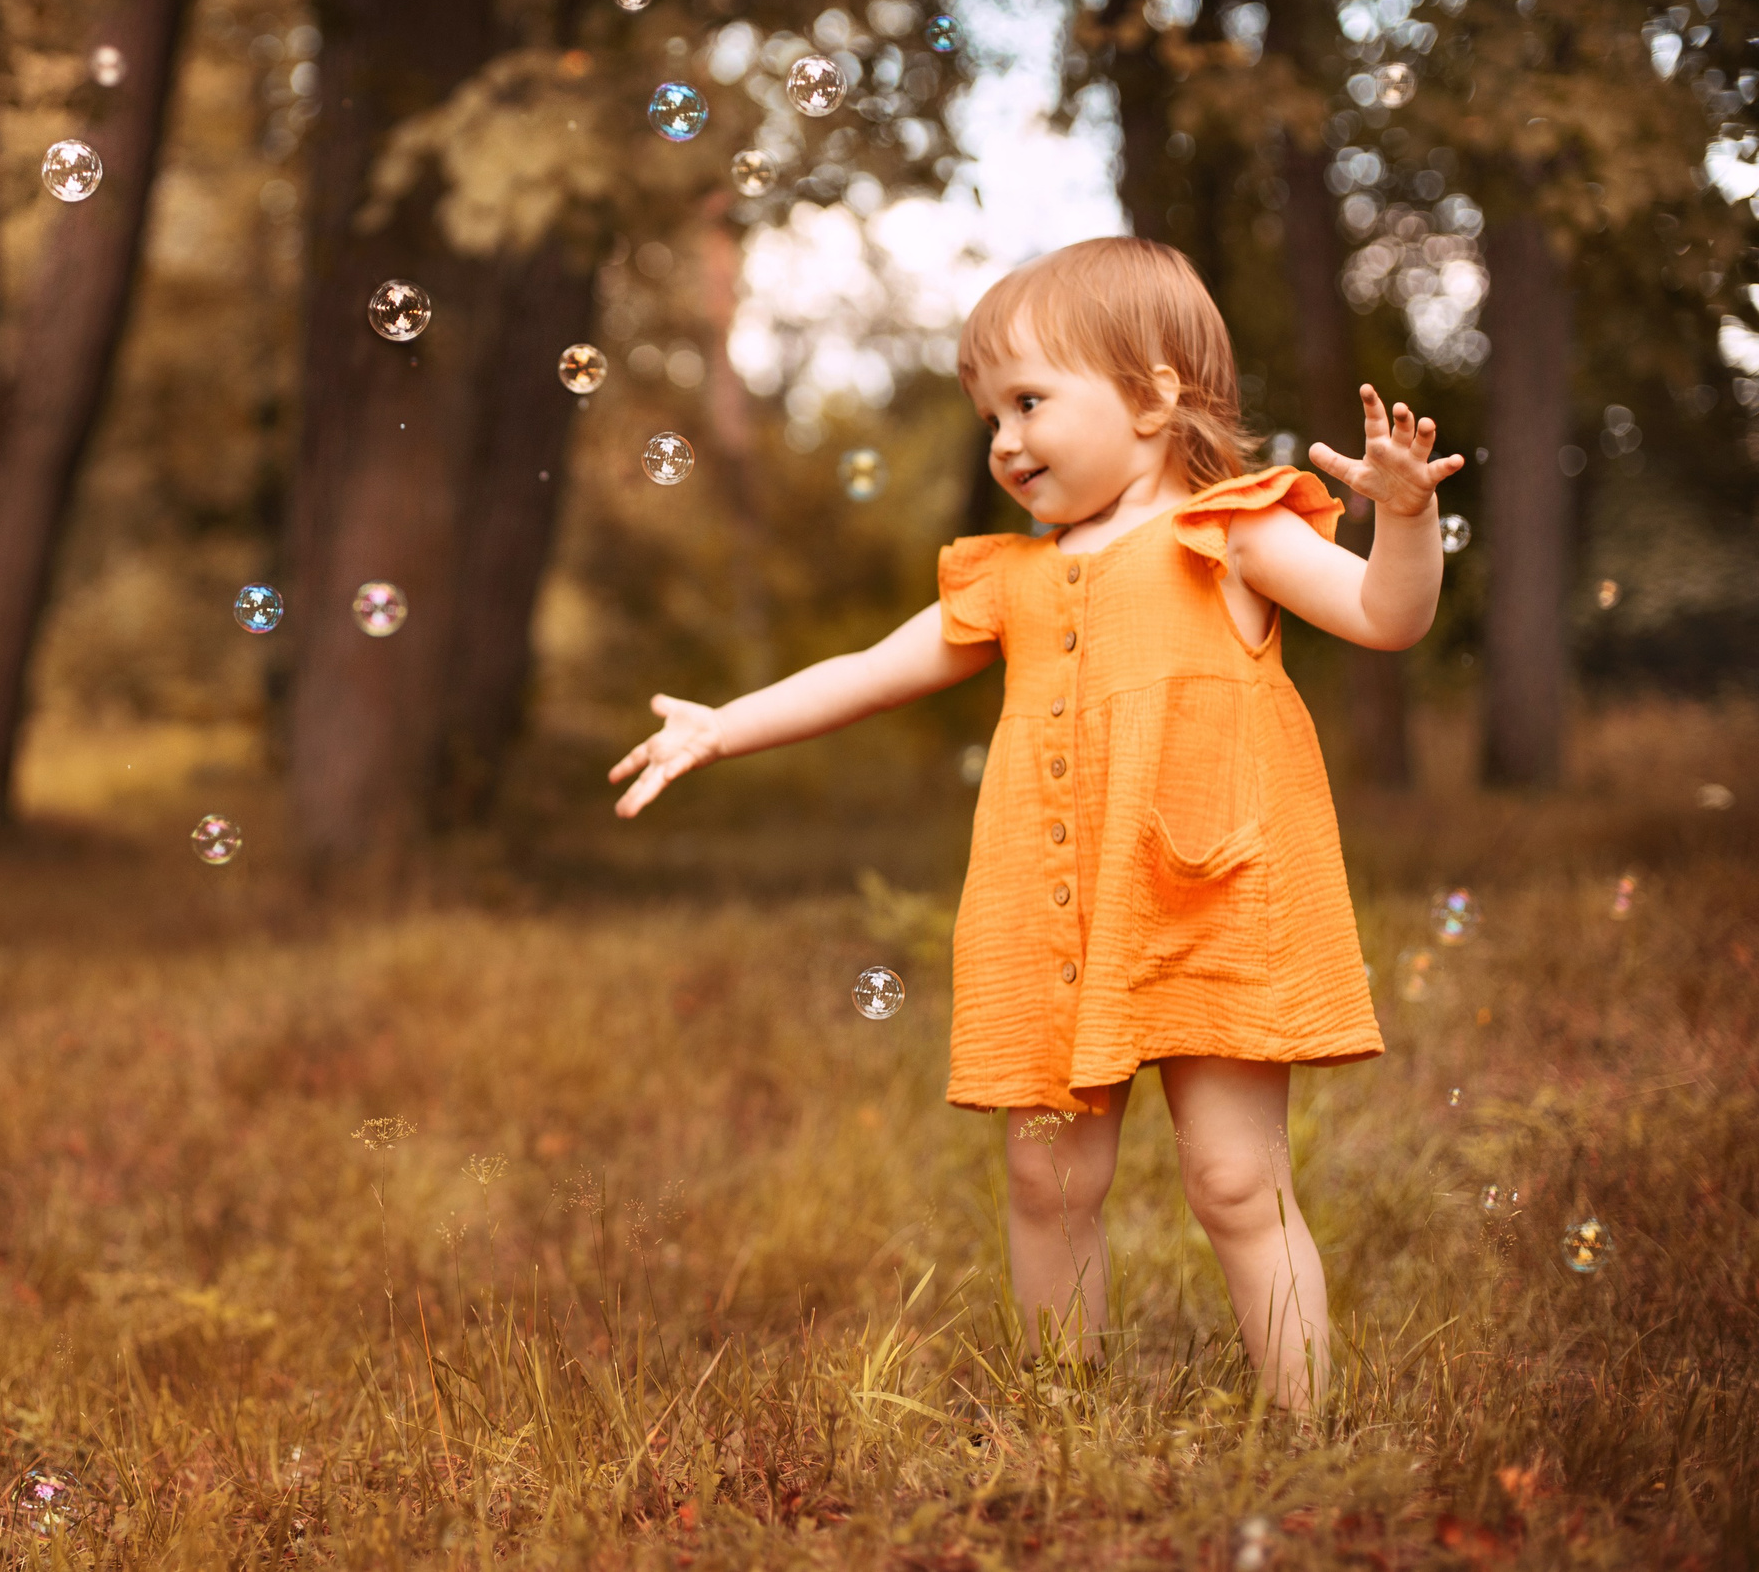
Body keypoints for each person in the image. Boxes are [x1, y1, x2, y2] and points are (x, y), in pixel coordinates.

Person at [606, 237, 1461, 1411]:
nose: (1002, 440)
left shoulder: (1234, 534)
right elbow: (864, 668)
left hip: (1204, 901)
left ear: (1156, 395)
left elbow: (1383, 615)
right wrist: (722, 725)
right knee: (1046, 1180)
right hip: (1051, 924)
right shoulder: (1008, 580)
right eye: (987, 414)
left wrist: (1405, 519)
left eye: (1028, 401)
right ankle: (1066, 1414)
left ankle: (1308, 1431)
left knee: (1231, 1180)